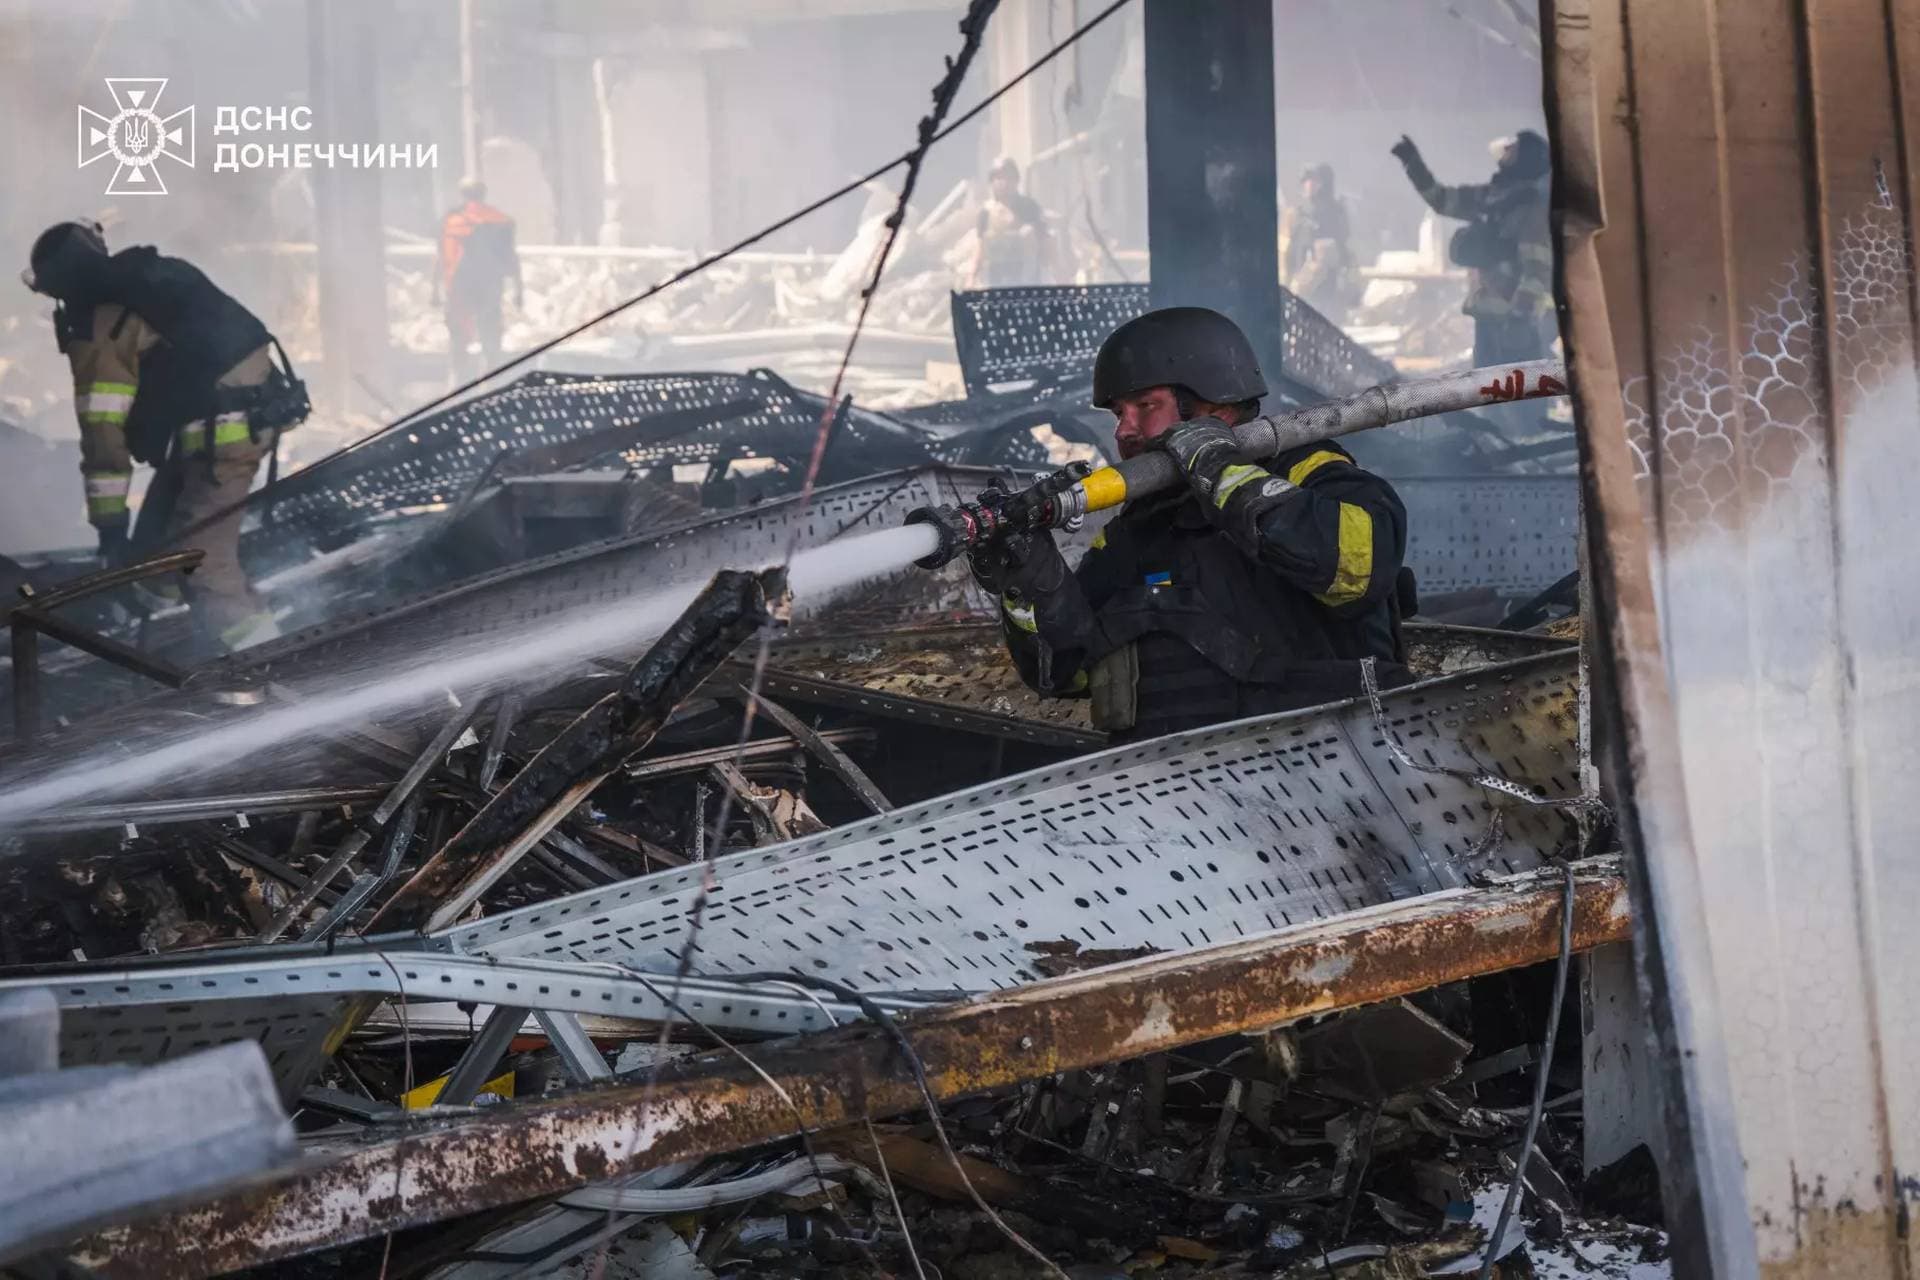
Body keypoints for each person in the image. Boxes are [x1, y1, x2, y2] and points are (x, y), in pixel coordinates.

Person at [971, 307, 1413, 742]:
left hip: (1332, 770)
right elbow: (1063, 672)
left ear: (1212, 408)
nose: (1125, 430)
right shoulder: (1137, 530)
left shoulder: (1309, 471)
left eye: (1145, 406)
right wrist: (1028, 580)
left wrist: (1217, 468)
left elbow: (1360, 569)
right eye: (1118, 415)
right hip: (1178, 791)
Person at [21, 218, 308, 649]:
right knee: (157, 550)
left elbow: (104, 438)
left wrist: (110, 528)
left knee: (201, 565)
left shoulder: (98, 326)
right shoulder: (147, 283)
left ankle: (271, 662)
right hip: (229, 425)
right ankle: (168, 641)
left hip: (221, 438)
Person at [1390, 130, 1555, 367]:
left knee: (1522, 396)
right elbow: (1442, 200)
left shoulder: (1532, 209)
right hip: (1487, 316)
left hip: (1515, 321)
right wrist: (1413, 165)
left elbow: (1536, 270)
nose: (1505, 156)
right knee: (1488, 395)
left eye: (1513, 152)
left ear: (1526, 159)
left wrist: (1520, 318)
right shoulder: (1492, 197)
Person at [435, 177, 522, 379]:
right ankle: (491, 383)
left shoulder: (450, 220)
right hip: (489, 286)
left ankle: (458, 383)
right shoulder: (502, 221)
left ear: (462, 194)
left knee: (459, 337)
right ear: (484, 193)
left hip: (459, 286)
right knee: (490, 336)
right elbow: (511, 256)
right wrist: (519, 289)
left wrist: (434, 289)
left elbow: (440, 255)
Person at [1279, 163, 1359, 317]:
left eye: (1314, 181)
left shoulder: (1334, 213)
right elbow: (1287, 252)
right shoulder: (1297, 214)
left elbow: (1338, 252)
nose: (1308, 185)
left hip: (1325, 289)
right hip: (1300, 286)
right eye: (1306, 181)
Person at [968, 156, 1053, 288]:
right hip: (996, 281)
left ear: (1016, 180)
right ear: (992, 182)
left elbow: (1045, 243)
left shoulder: (1029, 207)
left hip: (1027, 281)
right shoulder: (986, 213)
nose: (1004, 182)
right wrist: (971, 278)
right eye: (999, 178)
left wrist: (1050, 271)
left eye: (1008, 177)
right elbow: (980, 248)